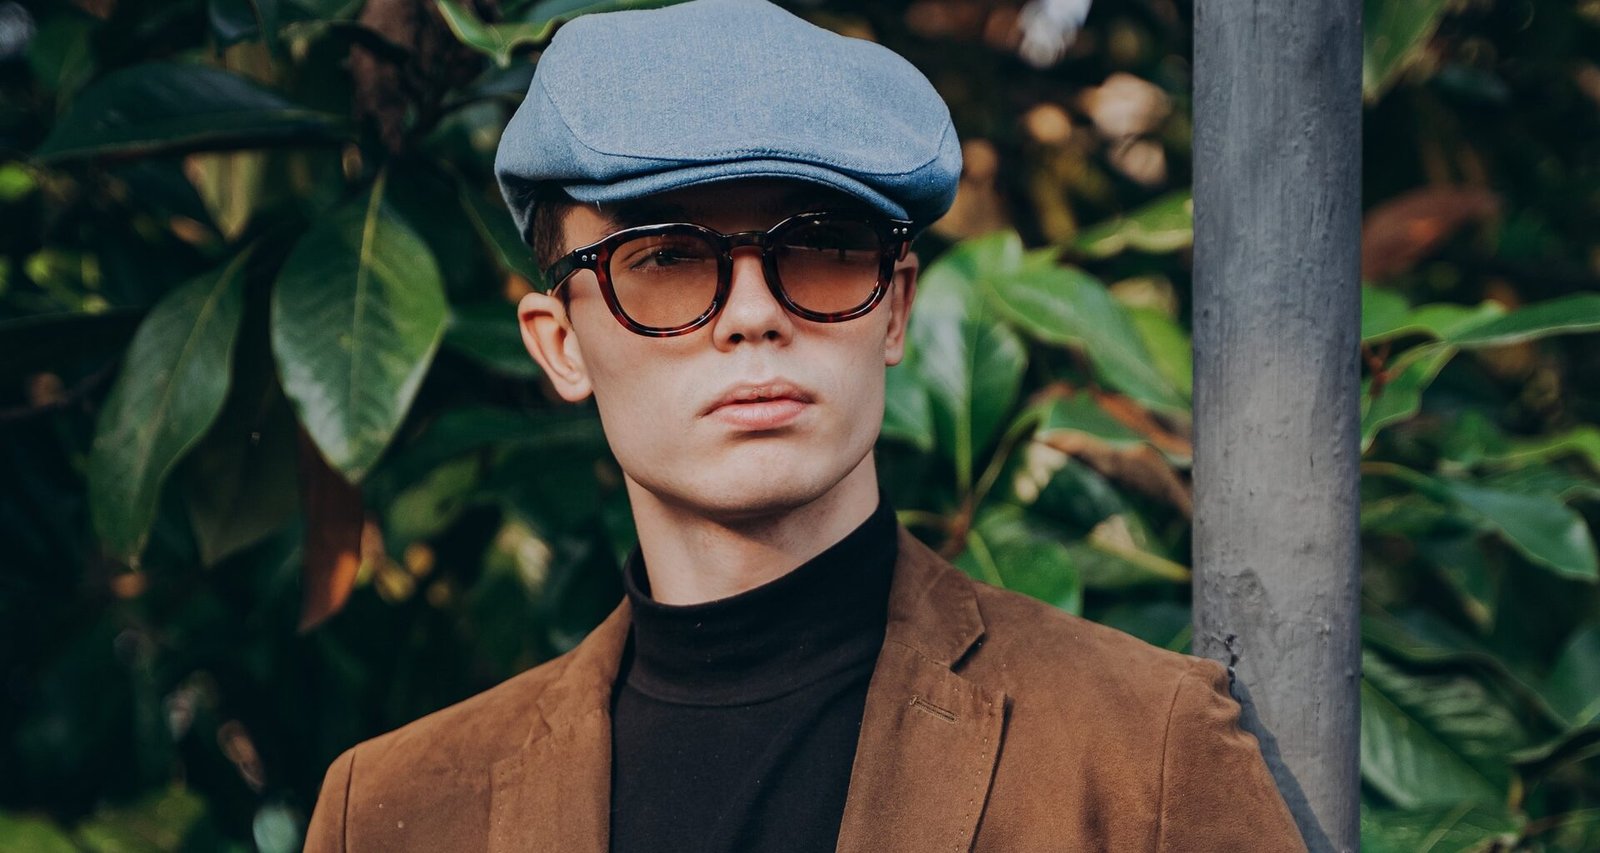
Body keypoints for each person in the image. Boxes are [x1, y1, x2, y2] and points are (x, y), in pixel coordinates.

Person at [304, 0, 1308, 850]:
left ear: (896, 308)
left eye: (820, 245)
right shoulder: (393, 809)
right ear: (560, 344)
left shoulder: (1143, 750)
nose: (753, 314)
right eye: (665, 257)